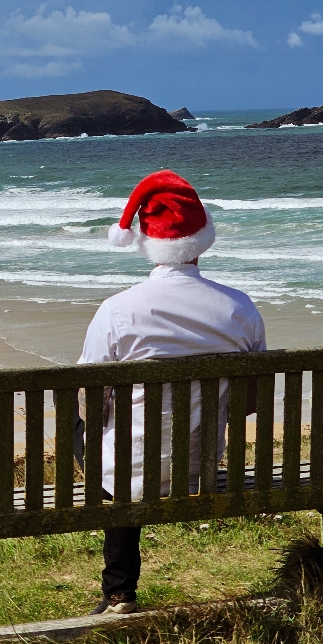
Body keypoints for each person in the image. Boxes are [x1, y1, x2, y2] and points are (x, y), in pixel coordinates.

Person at [78, 169, 266, 615]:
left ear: (145, 240)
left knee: (91, 425)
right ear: (203, 239)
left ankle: (120, 593)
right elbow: (248, 404)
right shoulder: (240, 308)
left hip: (128, 471)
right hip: (200, 467)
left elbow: (88, 399)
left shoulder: (118, 310)